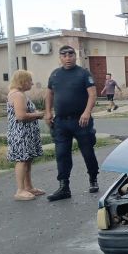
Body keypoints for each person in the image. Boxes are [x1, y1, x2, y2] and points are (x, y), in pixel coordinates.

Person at [44, 45, 100, 201]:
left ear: (75, 56)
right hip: (61, 122)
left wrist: (87, 112)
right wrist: (48, 112)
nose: (67, 57)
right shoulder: (55, 74)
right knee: (61, 154)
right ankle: (64, 187)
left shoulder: (83, 74)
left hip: (81, 121)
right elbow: (49, 94)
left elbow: (92, 94)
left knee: (88, 152)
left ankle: (93, 179)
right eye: (64, 55)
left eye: (70, 54)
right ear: (60, 57)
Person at [6, 70, 45, 201]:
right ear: (22, 81)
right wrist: (39, 114)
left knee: (27, 159)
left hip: (25, 132)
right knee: (22, 160)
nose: (32, 83)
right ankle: (20, 190)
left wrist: (35, 113)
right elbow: (21, 116)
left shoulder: (19, 94)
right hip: (21, 133)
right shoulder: (18, 95)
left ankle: (28, 187)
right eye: (30, 81)